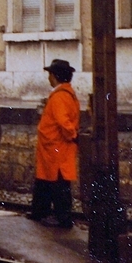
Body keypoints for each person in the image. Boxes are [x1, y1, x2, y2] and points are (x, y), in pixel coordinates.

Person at [28, 59, 79, 228]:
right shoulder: (66, 94)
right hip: (53, 147)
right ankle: (40, 211)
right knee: (46, 180)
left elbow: (63, 122)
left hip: (55, 147)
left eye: (50, 74)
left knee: (57, 182)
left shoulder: (59, 97)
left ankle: (62, 218)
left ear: (55, 76)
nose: (48, 77)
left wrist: (72, 135)